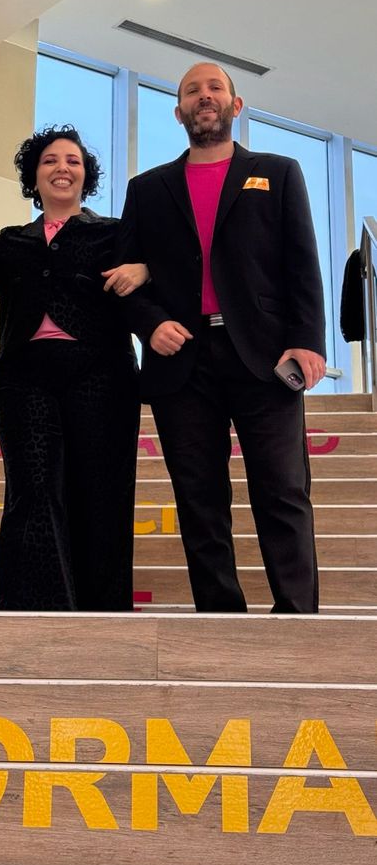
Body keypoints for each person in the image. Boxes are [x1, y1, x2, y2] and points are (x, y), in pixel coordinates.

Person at [117, 62, 326, 614]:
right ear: (178, 111)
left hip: (265, 355)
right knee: (199, 499)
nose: (204, 96)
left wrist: (308, 340)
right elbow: (123, 277)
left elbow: (302, 264)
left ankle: (298, 618)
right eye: (192, 90)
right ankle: (220, 618)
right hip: (181, 361)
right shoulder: (147, 189)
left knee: (282, 490)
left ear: (236, 106)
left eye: (215, 88)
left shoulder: (279, 173)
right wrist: (150, 323)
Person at [0, 125, 147, 611]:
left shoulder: (114, 233)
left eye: (73, 161)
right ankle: (36, 613)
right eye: (50, 160)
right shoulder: (8, 243)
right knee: (33, 489)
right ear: (34, 176)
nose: (62, 168)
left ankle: (102, 617)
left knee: (100, 496)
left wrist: (146, 268)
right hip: (25, 377)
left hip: (101, 378)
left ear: (85, 175)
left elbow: (173, 257)